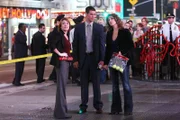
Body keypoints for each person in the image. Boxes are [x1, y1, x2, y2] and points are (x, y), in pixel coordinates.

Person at [73, 6, 105, 114]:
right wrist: (76, 59)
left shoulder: (99, 28)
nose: (93, 16)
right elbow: (75, 45)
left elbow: (101, 45)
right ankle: (83, 105)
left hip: (95, 58)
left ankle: (98, 105)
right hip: (83, 58)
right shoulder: (79, 28)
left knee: (96, 83)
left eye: (94, 14)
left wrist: (102, 59)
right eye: (91, 14)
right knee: (84, 84)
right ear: (86, 14)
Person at [103, 14, 134, 115]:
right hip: (112, 60)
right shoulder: (109, 33)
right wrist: (105, 62)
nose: (110, 21)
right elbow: (107, 49)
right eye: (109, 19)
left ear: (116, 19)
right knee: (114, 85)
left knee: (125, 84)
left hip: (121, 59)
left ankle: (128, 109)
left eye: (112, 18)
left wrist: (122, 52)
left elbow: (130, 45)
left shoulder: (124, 32)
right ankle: (115, 109)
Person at [50, 18, 72, 119]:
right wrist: (60, 53)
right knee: (61, 88)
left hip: (66, 61)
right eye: (63, 24)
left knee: (63, 87)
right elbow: (52, 45)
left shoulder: (67, 35)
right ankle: (61, 113)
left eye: (67, 23)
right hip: (61, 62)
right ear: (60, 25)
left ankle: (61, 111)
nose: (65, 25)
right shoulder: (58, 34)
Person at [160, 13, 179, 80]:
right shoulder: (164, 26)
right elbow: (161, 36)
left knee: (173, 60)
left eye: (171, 18)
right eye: (169, 18)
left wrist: (178, 45)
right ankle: (162, 74)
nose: (170, 19)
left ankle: (173, 75)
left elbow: (178, 36)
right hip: (166, 43)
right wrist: (161, 44)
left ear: (173, 19)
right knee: (164, 59)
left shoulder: (176, 27)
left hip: (173, 44)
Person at [48, 14, 65, 82]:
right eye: (62, 22)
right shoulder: (56, 32)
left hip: (62, 53)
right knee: (58, 67)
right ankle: (55, 77)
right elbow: (53, 44)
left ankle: (54, 77)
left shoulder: (62, 31)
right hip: (58, 53)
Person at [69, 15, 84, 85]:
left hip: (74, 50)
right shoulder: (76, 30)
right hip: (77, 50)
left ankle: (75, 78)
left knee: (75, 64)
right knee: (78, 65)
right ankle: (78, 78)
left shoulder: (72, 30)